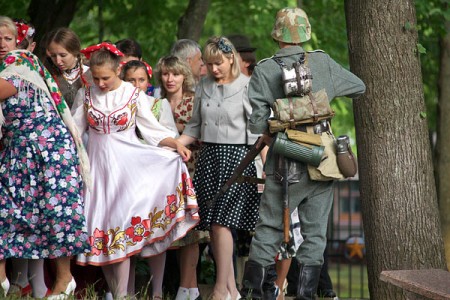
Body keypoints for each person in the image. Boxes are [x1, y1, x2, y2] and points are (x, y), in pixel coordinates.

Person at [241, 7, 366, 300]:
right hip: (322, 159)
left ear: (277, 35)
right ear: (306, 33)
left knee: (269, 229)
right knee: (316, 233)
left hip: (286, 159)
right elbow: (358, 87)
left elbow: (257, 125)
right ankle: (307, 296)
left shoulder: (265, 68)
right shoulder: (322, 61)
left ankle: (254, 295)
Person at [72, 42, 199, 299]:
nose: (101, 83)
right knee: (104, 237)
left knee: (120, 228)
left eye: (105, 77)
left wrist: (175, 144)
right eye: (96, 78)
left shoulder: (132, 94)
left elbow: (152, 131)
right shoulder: (86, 94)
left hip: (129, 169)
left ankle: (122, 295)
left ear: (118, 70)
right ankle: (120, 293)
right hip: (97, 172)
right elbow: (74, 131)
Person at [0, 15, 90, 299]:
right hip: (18, 150)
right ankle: (5, 281)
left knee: (55, 212)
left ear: (19, 42)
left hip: (49, 149)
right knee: (8, 211)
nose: (2, 44)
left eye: (7, 38)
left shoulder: (21, 64)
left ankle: (65, 279)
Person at [178, 36, 260, 300]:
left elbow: (261, 131)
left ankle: (220, 290)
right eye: (209, 63)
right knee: (213, 225)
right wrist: (174, 145)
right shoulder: (203, 87)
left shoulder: (249, 86)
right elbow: (194, 125)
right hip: (210, 158)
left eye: (219, 63)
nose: (213, 69)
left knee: (222, 223)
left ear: (232, 59)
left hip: (239, 159)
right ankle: (232, 290)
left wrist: (265, 166)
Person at [155, 55, 209, 300]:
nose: (170, 78)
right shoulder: (156, 101)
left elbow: (203, 133)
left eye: (175, 74)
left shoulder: (194, 100)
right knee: (169, 226)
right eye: (166, 74)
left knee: (191, 230)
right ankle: (170, 285)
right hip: (164, 172)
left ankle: (190, 287)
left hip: (193, 168)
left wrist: (179, 142)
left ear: (184, 76)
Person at [121, 59, 177, 133]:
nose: (137, 85)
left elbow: (171, 134)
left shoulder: (160, 105)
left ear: (148, 82)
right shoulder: (117, 105)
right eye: (131, 80)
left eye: (141, 80)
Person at [44, 27, 91, 108]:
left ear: (75, 51)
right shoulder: (47, 77)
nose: (58, 61)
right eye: (53, 56)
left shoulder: (92, 73)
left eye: (63, 55)